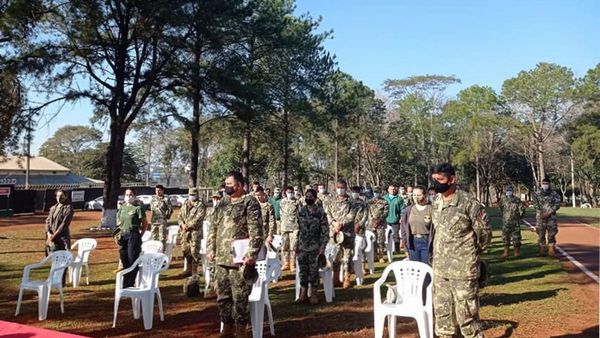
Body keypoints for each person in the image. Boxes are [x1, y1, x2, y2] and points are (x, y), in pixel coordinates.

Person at [430, 163, 492, 338]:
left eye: (440, 180)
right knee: (442, 317)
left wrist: (470, 255)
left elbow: (485, 234)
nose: (436, 183)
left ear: (452, 179)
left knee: (467, 318)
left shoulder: (469, 203)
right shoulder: (436, 202)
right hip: (440, 269)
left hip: (463, 270)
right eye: (434, 179)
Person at [206, 171, 264, 338]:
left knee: (240, 297)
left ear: (239, 185)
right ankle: (227, 328)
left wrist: (252, 254)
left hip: (240, 260)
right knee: (223, 297)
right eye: (226, 184)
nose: (226, 187)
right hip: (221, 258)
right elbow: (213, 227)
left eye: (229, 184)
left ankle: (241, 329)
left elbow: (257, 231)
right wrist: (211, 249)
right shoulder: (223, 202)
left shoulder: (250, 202)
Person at [325, 179, 361, 288]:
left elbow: (352, 215)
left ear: (346, 188)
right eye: (338, 188)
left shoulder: (352, 202)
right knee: (335, 257)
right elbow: (327, 213)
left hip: (348, 233)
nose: (340, 190)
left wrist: (341, 224)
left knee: (347, 257)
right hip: (335, 233)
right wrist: (334, 223)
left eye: (343, 188)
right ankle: (335, 278)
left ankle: (347, 278)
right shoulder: (331, 200)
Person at [295, 189, 328, 305]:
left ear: (315, 198)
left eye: (310, 196)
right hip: (303, 246)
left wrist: (322, 248)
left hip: (315, 246)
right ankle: (303, 294)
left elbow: (325, 232)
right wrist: (296, 246)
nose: (308, 198)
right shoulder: (301, 211)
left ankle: (314, 293)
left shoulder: (320, 212)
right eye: (306, 196)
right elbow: (297, 229)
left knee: (313, 271)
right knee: (303, 271)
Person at [117, 188, 149, 288]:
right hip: (123, 236)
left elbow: (145, 223)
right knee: (124, 259)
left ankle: (131, 282)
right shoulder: (122, 207)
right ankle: (125, 282)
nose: (128, 196)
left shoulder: (138, 208)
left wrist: (140, 235)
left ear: (134, 196)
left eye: (131, 194)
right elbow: (119, 221)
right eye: (127, 194)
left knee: (132, 260)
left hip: (133, 235)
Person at [400, 185, 432, 264]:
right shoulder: (408, 210)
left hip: (427, 242)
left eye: (419, 195)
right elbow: (404, 229)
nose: (416, 197)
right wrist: (406, 247)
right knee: (415, 267)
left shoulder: (431, 209)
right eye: (414, 195)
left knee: (426, 269)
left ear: (425, 195)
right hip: (413, 243)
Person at [178, 187, 206, 277]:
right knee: (186, 251)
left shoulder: (200, 205)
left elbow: (199, 218)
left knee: (194, 252)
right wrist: (182, 224)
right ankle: (188, 269)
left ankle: (194, 271)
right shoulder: (185, 203)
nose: (191, 196)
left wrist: (188, 226)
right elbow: (180, 215)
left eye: (193, 195)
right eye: (190, 195)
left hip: (195, 232)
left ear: (197, 195)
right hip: (184, 233)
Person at [533, 178, 562, 257]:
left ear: (549, 184)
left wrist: (549, 212)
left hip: (551, 218)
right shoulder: (536, 194)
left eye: (546, 183)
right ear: (541, 184)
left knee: (552, 234)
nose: (545, 185)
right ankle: (541, 251)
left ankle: (551, 251)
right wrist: (541, 213)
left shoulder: (554, 194)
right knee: (541, 234)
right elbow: (535, 205)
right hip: (540, 218)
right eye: (543, 183)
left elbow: (557, 204)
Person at [498, 186, 526, 257]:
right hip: (506, 222)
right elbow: (501, 209)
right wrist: (505, 216)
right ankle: (506, 252)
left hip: (515, 222)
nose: (509, 192)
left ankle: (516, 252)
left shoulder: (517, 200)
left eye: (510, 190)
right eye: (507, 190)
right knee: (505, 237)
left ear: (512, 191)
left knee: (516, 237)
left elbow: (522, 210)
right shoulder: (503, 200)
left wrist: (519, 217)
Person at [45, 190, 73, 257]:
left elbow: (64, 224)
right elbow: (47, 221)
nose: (59, 197)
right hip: (51, 238)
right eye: (58, 196)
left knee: (64, 259)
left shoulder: (68, 208)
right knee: (53, 258)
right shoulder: (53, 208)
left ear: (66, 197)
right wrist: (48, 233)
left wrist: (54, 235)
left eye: (61, 196)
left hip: (62, 238)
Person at [280, 186, 300, 271]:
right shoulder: (282, 202)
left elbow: (300, 214)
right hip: (284, 227)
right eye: (288, 192)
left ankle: (292, 264)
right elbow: (280, 213)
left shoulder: (297, 202)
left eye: (291, 192)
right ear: (285, 192)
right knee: (284, 246)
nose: (290, 194)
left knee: (294, 247)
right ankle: (285, 263)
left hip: (294, 228)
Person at [367, 186, 388, 263]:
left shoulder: (384, 202)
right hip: (371, 224)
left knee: (380, 240)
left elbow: (386, 213)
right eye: (375, 192)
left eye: (377, 192)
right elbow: (368, 212)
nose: (376, 193)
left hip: (381, 224)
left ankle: (381, 256)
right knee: (373, 240)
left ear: (380, 192)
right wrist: (372, 220)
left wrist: (378, 220)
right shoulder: (369, 202)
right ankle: (374, 255)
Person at [384, 184, 405, 253]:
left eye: (393, 189)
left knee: (396, 235)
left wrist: (401, 218)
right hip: (385, 220)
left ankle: (397, 249)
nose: (392, 190)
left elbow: (402, 209)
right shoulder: (384, 198)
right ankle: (385, 249)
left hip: (395, 220)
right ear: (388, 190)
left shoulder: (399, 199)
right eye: (391, 189)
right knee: (385, 235)